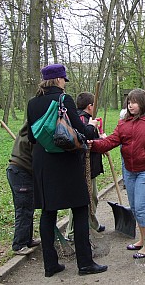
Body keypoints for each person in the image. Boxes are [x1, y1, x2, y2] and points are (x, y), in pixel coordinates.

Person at [26, 63, 107, 277]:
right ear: (59, 80)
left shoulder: (32, 103)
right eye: (64, 80)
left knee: (48, 212)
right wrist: (94, 126)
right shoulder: (64, 99)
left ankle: (50, 265)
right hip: (66, 163)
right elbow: (82, 131)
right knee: (80, 209)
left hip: (43, 162)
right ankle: (85, 263)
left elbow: (33, 137)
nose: (64, 84)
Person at [88, 88, 145, 259]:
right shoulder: (123, 123)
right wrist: (93, 144)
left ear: (142, 103)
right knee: (134, 207)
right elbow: (111, 141)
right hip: (129, 170)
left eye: (133, 102)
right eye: (129, 102)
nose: (130, 105)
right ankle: (142, 239)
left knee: (141, 208)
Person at [65, 92, 106, 241]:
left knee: (92, 197)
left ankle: (92, 224)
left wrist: (100, 140)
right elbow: (82, 140)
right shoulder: (82, 119)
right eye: (94, 104)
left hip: (91, 165)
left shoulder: (88, 119)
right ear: (90, 106)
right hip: (83, 166)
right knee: (83, 199)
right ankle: (71, 231)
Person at [6, 121, 41, 255]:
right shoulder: (31, 136)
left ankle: (27, 239)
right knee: (23, 209)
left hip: (20, 172)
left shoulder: (26, 132)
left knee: (28, 207)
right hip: (20, 173)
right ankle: (19, 244)